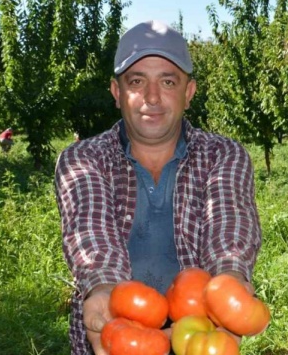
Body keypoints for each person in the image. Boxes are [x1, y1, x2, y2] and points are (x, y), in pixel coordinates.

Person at [54, 20, 262, 354]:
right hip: (116, 338)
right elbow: (91, 233)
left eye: (168, 81)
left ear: (188, 93)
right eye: (136, 81)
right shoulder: (84, 159)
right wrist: (106, 292)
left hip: (196, 339)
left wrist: (230, 289)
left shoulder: (223, 155)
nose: (152, 97)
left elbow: (229, 225)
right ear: (117, 92)